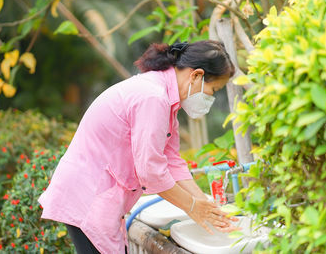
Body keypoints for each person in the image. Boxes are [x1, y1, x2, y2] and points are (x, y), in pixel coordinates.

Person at [37, 40, 241, 254]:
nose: (211, 97)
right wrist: (192, 207)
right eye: (213, 89)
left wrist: (205, 205)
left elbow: (171, 161)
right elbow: (151, 172)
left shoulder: (165, 99)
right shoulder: (154, 97)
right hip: (88, 197)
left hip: (98, 195)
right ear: (196, 75)